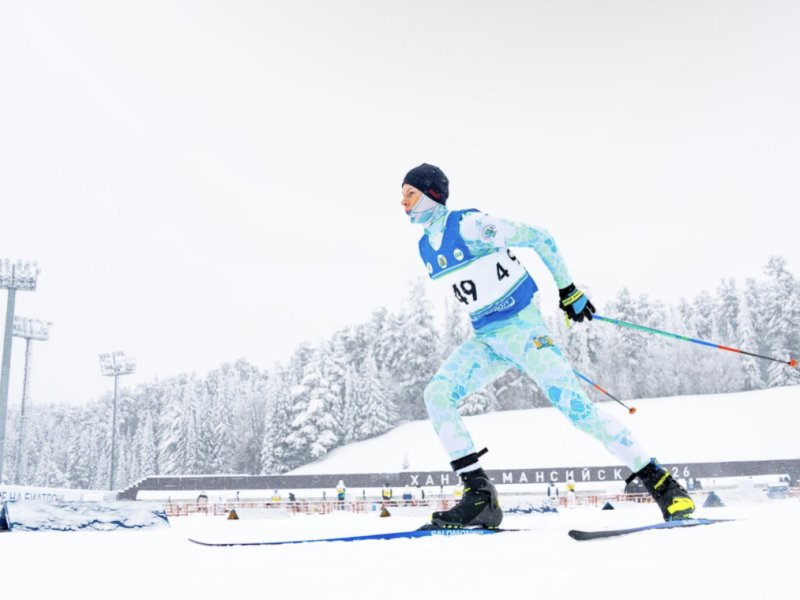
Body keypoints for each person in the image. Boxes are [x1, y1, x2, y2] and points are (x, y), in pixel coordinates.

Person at [400, 163, 695, 529]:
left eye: (410, 193)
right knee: (437, 395)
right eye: (403, 196)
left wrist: (568, 290)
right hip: (487, 340)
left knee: (578, 411)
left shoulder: (470, 226)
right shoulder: (425, 247)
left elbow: (540, 237)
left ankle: (665, 486)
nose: (403, 203)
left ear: (432, 194)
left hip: (524, 331)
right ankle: (480, 497)